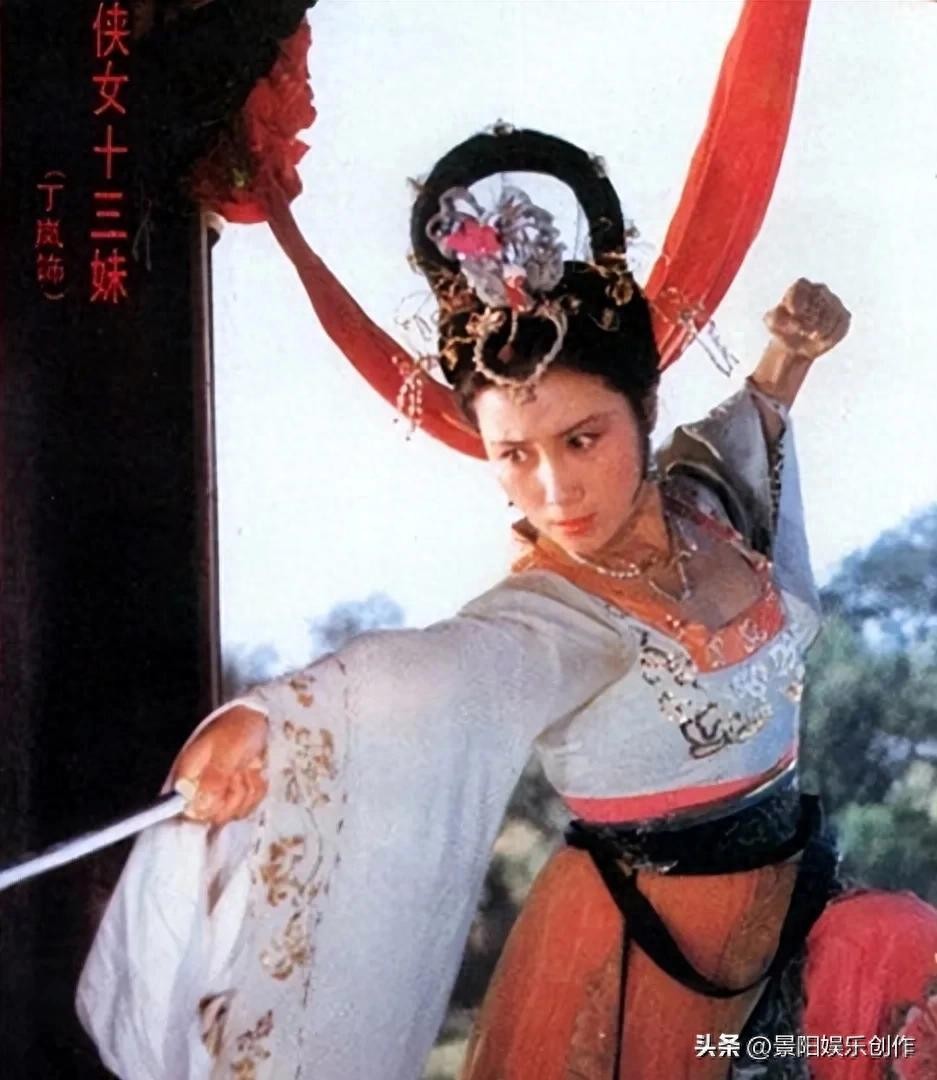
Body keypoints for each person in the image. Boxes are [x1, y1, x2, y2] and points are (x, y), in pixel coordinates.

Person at [77, 130, 937, 1080]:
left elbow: (743, 430)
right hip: (646, 966)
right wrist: (267, 723)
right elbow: (432, 674)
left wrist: (789, 354)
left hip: (800, 907)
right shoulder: (549, 616)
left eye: (582, 439)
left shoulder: (704, 508)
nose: (556, 490)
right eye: (514, 456)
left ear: (643, 411)